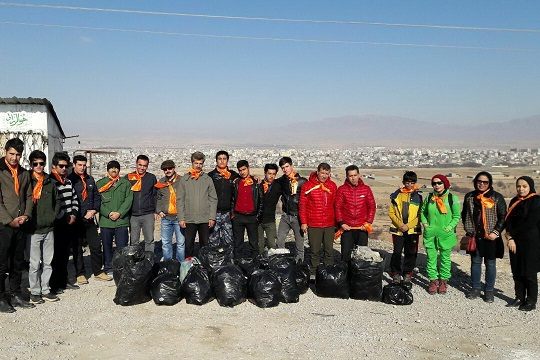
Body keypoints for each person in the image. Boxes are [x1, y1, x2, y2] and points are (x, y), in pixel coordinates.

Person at [0, 138, 34, 313]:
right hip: (3, 225)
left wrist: (26, 215)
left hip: (20, 224)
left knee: (17, 261)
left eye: (18, 155)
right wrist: (9, 220)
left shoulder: (24, 173)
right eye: (11, 154)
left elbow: (28, 195)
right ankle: (1, 298)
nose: (14, 158)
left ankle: (15, 293)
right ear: (5, 152)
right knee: (2, 263)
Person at [461, 171, 506, 303]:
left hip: (491, 237)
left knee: (490, 263)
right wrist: (468, 229)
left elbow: (503, 217)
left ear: (489, 183)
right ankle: (475, 288)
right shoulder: (469, 196)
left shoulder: (497, 197)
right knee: (475, 262)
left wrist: (496, 232)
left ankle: (489, 291)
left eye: (485, 182)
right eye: (479, 181)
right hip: (475, 235)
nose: (481, 184)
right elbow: (465, 214)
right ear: (475, 182)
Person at [68, 154, 111, 284]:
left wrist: (94, 210)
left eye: (84, 165)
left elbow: (97, 197)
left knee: (96, 246)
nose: (82, 167)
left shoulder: (90, 179)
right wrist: (80, 214)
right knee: (78, 248)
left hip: (90, 219)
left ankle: (98, 271)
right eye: (79, 165)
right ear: (74, 165)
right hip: (77, 220)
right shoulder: (70, 180)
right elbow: (69, 201)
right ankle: (80, 273)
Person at [27, 150, 60, 304]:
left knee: (48, 261)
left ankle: (45, 289)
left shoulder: (50, 182)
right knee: (34, 263)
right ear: (31, 164)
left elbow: (57, 202)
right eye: (35, 164)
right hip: (33, 230)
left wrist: (52, 217)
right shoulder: (27, 181)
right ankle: (34, 291)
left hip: (49, 229)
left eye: (41, 163)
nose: (39, 166)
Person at [504, 176, 540, 311]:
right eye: (518, 186)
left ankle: (531, 301)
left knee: (529, 272)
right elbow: (508, 221)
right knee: (517, 271)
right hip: (514, 242)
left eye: (524, 186)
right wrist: (510, 238)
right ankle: (519, 297)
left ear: (530, 186)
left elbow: (529, 223)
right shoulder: (514, 201)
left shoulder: (536, 201)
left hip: (531, 242)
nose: (521, 189)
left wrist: (511, 235)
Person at [420, 174, 460, 295]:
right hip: (431, 233)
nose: (436, 185)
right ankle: (433, 281)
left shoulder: (452, 198)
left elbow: (456, 216)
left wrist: (449, 228)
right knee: (431, 258)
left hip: (446, 234)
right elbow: (423, 212)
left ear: (445, 184)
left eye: (439, 183)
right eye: (434, 183)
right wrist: (426, 225)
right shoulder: (429, 197)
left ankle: (443, 281)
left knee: (445, 259)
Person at [49, 152, 80, 294]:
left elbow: (74, 199)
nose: (63, 169)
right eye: (61, 166)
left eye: (65, 166)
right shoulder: (50, 182)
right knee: (55, 256)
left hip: (69, 223)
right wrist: (64, 217)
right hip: (57, 224)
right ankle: (54, 284)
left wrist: (73, 214)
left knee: (65, 254)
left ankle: (64, 281)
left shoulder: (67, 182)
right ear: (54, 166)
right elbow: (53, 204)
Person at [299, 163, 338, 272]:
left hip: (329, 224)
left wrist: (337, 223)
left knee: (329, 250)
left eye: (327, 173)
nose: (324, 176)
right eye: (322, 173)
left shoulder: (332, 185)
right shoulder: (307, 186)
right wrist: (304, 222)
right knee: (315, 250)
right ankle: (314, 272)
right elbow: (302, 205)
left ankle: (328, 272)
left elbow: (336, 205)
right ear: (317, 172)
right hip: (314, 223)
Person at [96, 160, 133, 274]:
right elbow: (98, 201)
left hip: (121, 221)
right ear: (107, 170)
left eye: (116, 168)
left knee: (121, 247)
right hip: (106, 222)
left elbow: (128, 200)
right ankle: (108, 267)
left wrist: (119, 213)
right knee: (107, 247)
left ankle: (121, 268)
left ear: (119, 170)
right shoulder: (100, 184)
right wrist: (108, 213)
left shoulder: (125, 183)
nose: (114, 170)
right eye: (111, 168)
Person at [178, 151, 217, 257]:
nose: (198, 165)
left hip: (205, 219)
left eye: (200, 163)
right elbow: (180, 200)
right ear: (192, 163)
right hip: (189, 219)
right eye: (196, 163)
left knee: (205, 245)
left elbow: (213, 199)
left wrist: (212, 217)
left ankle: (204, 267)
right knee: (189, 245)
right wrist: (181, 218)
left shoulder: (207, 179)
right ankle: (188, 267)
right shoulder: (184, 179)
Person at [388, 171, 422, 289]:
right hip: (398, 229)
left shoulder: (419, 197)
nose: (409, 184)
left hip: (412, 230)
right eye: (407, 182)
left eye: (412, 182)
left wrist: (408, 225)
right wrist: (400, 224)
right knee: (397, 252)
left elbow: (420, 215)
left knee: (411, 252)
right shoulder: (396, 195)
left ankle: (408, 273)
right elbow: (391, 213)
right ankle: (396, 274)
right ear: (403, 182)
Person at [335, 165, 376, 261]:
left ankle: (359, 275)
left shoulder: (366, 189)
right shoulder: (341, 189)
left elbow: (372, 206)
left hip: (362, 228)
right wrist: (341, 223)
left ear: (359, 175)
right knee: (346, 254)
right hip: (347, 228)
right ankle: (346, 274)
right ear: (347, 176)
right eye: (350, 176)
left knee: (362, 254)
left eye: (355, 175)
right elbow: (337, 207)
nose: (353, 178)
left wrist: (368, 222)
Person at [276, 157, 307, 262]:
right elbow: (271, 182)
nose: (285, 169)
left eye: (287, 166)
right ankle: (281, 263)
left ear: (291, 166)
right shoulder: (282, 181)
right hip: (285, 216)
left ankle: (300, 265)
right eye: (283, 167)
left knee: (299, 244)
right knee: (279, 240)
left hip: (297, 217)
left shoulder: (302, 181)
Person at [231, 160, 263, 258]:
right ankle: (238, 265)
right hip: (238, 217)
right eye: (240, 170)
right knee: (238, 243)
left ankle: (254, 264)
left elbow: (261, 201)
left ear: (248, 168)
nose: (242, 172)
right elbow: (232, 199)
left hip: (252, 217)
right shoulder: (236, 182)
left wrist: (257, 216)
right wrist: (232, 214)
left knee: (253, 243)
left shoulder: (256, 183)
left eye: (244, 169)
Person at [208, 150, 239, 248]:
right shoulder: (210, 176)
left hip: (228, 213)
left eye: (224, 159)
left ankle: (228, 260)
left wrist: (255, 178)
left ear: (227, 161)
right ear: (216, 161)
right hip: (213, 213)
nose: (222, 161)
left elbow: (244, 179)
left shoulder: (233, 175)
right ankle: (215, 261)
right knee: (213, 240)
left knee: (229, 240)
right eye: (219, 159)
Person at [126, 154, 157, 252]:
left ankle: (149, 262)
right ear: (136, 164)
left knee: (149, 240)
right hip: (133, 215)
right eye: (140, 165)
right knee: (134, 241)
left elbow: (155, 195)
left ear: (147, 166)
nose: (142, 168)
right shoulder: (128, 178)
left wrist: (155, 211)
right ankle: (135, 264)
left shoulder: (151, 178)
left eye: (144, 166)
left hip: (148, 214)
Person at [155, 160, 185, 262]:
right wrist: (159, 211)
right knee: (166, 243)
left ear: (174, 168)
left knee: (180, 243)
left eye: (169, 168)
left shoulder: (182, 181)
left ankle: (180, 264)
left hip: (179, 218)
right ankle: (168, 265)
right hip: (166, 218)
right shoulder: (161, 183)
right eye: (165, 169)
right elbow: (158, 198)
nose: (167, 171)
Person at [257, 163, 281, 253]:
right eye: (269, 173)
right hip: (258, 221)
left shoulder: (278, 186)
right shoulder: (258, 185)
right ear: (265, 173)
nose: (271, 176)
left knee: (272, 245)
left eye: (274, 174)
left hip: (270, 220)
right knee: (259, 245)